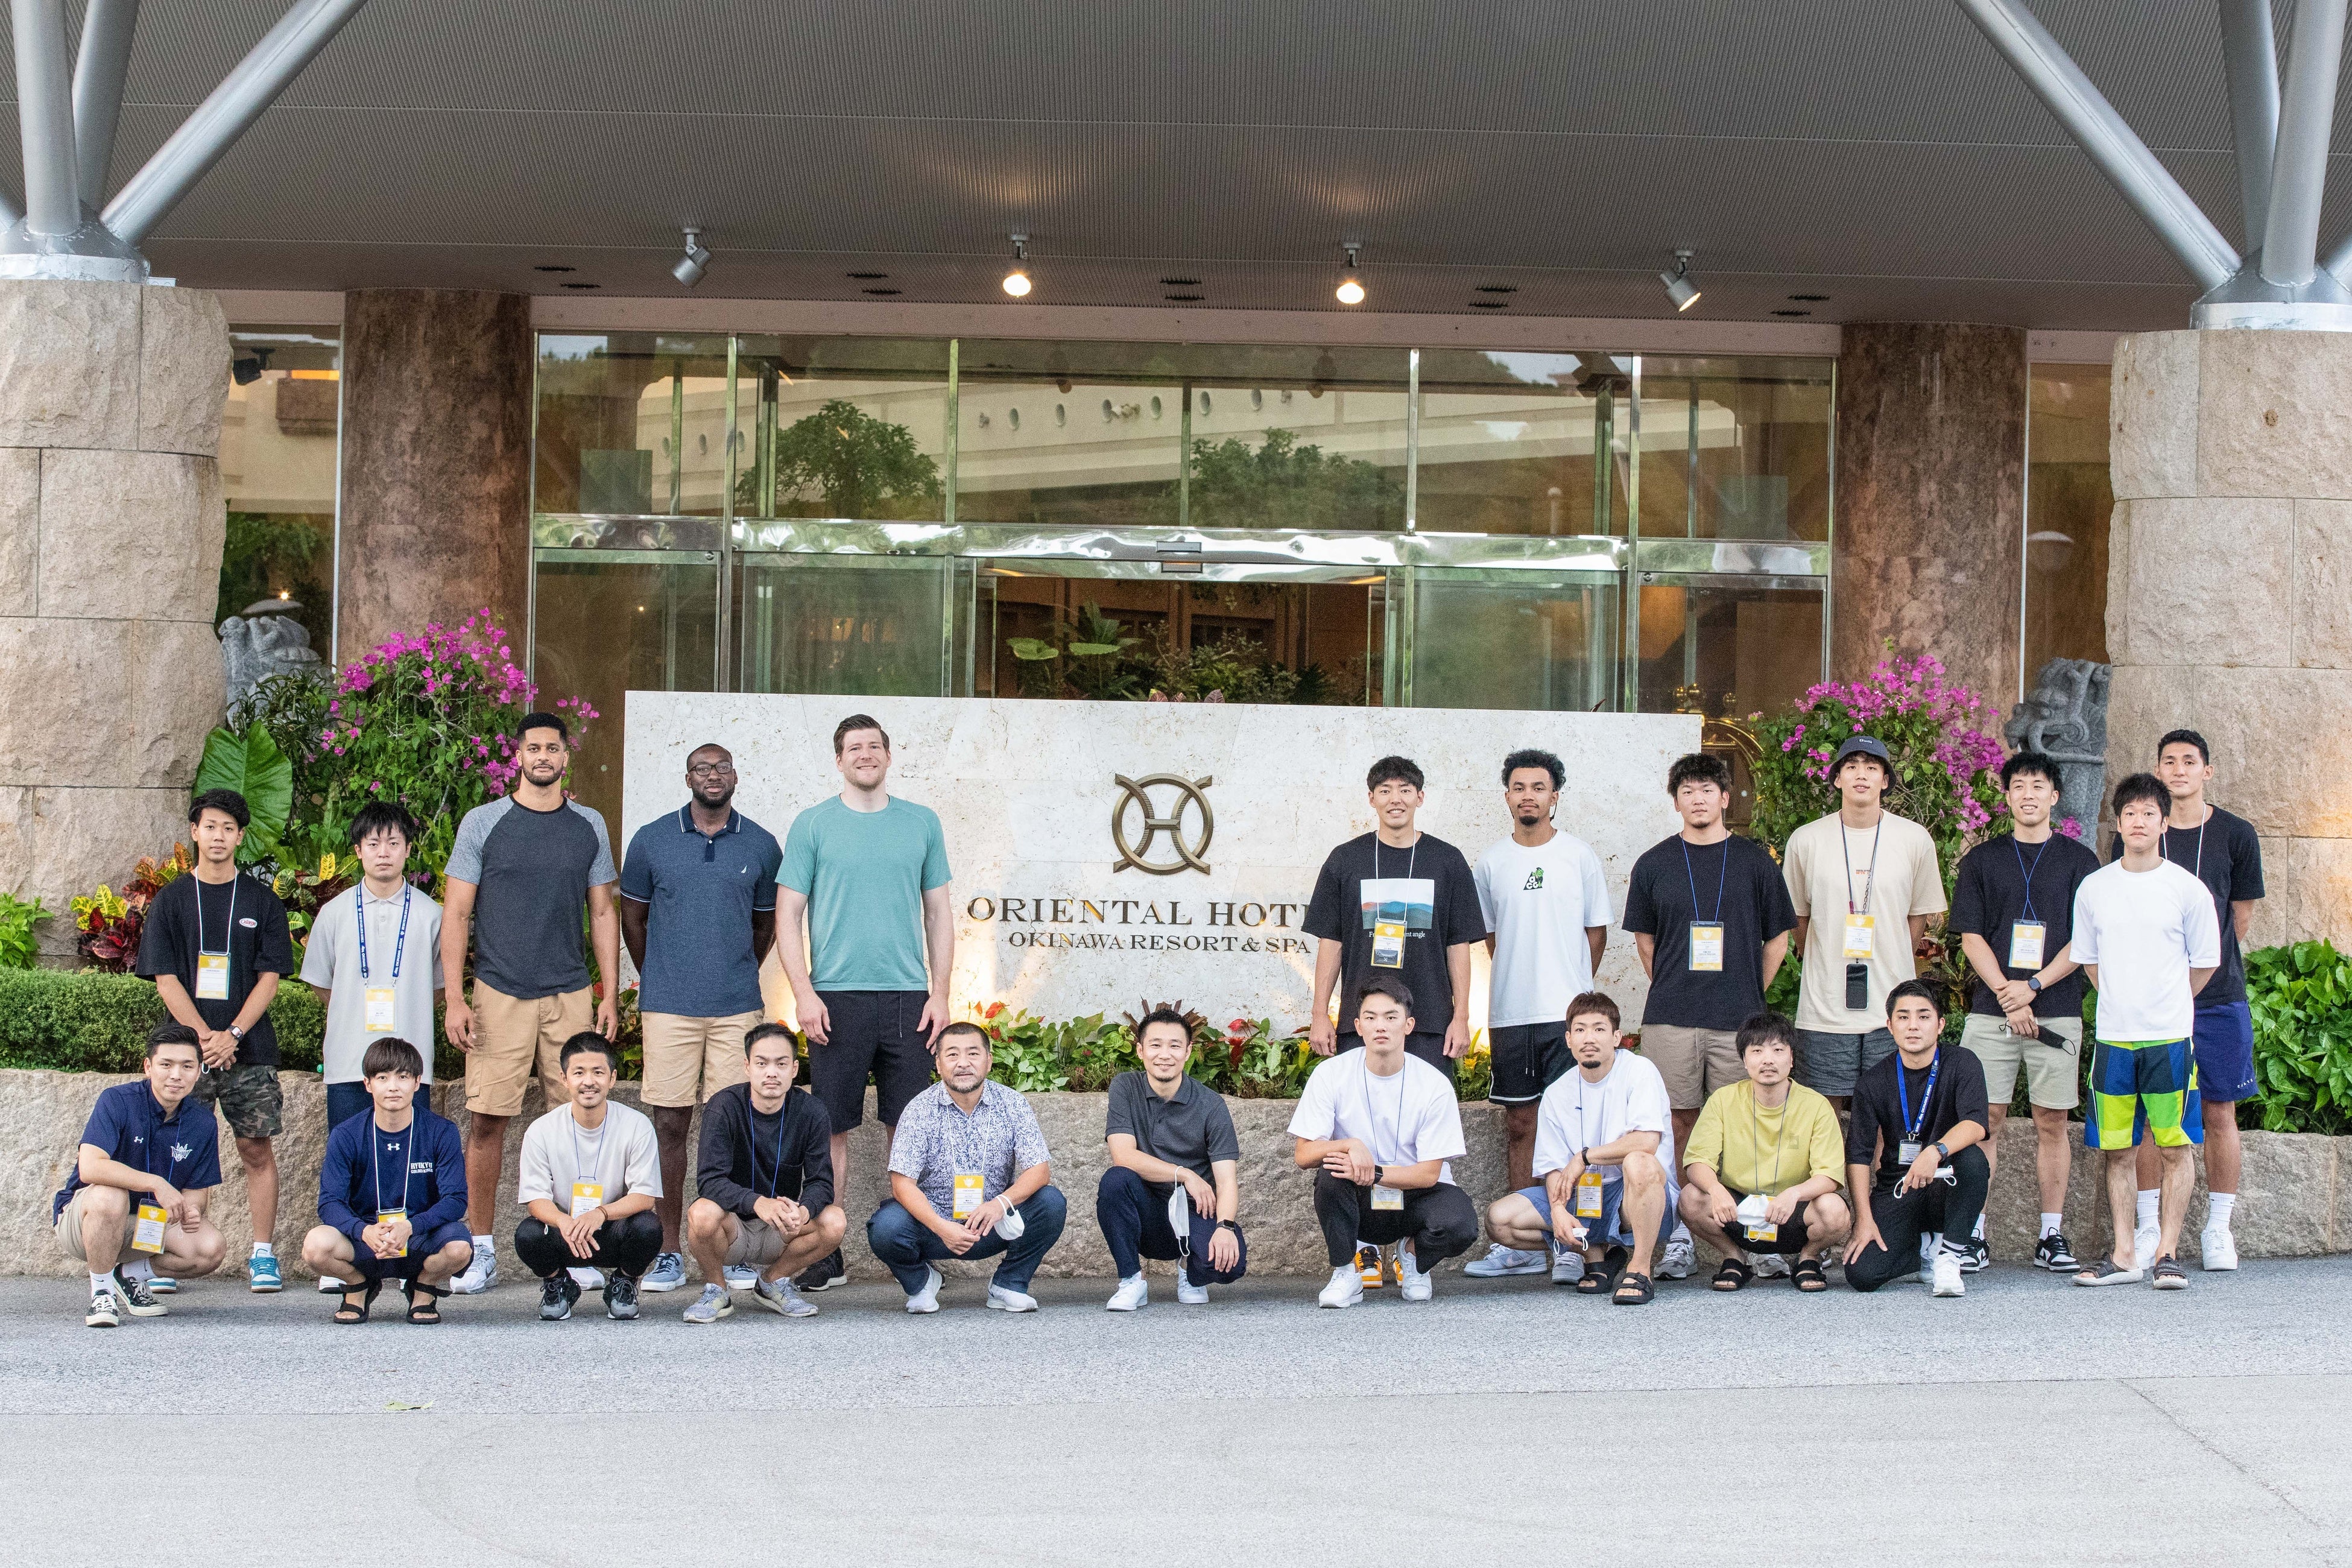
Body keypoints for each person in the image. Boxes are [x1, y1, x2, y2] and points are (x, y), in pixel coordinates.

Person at [440, 710, 621, 1296]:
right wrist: (455, 998)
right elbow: (456, 913)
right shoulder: (483, 822)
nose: (543, 757)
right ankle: (481, 1249)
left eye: (553, 748)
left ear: (567, 756)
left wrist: (610, 992)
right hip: (499, 992)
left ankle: (576, 1247)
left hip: (569, 992)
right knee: (487, 1120)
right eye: (534, 748)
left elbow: (602, 911)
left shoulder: (589, 824)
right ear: (517, 756)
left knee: (579, 1123)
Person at [777, 713, 955, 1296]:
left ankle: (914, 1249)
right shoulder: (813, 825)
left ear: (888, 755)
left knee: (910, 1128)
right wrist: (804, 993)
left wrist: (940, 993)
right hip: (835, 997)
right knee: (830, 1129)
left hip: (909, 998)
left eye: (874, 746)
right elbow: (787, 915)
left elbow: (939, 913)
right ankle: (825, 1252)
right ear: (839, 760)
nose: (865, 754)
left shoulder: (921, 822)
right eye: (854, 748)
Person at [1304, 754, 1484, 1289]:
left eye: (1406, 789)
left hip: (1427, 1026)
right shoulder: (1347, 860)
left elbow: (1459, 944)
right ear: (1371, 799)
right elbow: (1331, 941)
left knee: (1418, 1140)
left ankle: (1411, 1243)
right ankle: (1360, 1246)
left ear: (1420, 798)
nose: (1396, 798)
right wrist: (1321, 1013)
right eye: (1385, 790)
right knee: (1353, 1130)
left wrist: (1462, 1015)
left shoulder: (1446, 860)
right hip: (1360, 1023)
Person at [1620, 750, 1797, 1282]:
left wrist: (1749, 989)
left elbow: (1779, 938)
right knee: (1677, 1125)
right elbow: (1645, 941)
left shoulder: (1754, 861)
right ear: (1676, 801)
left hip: (1738, 1020)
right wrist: (1676, 985)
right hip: (1671, 1017)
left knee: (1744, 1126)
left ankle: (1753, 1235)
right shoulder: (1654, 863)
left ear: (1725, 798)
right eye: (1687, 791)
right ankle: (1680, 1236)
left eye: (1707, 790)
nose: (1697, 799)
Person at [619, 741, 784, 1295]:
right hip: (669, 1005)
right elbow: (634, 920)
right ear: (687, 777)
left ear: (735, 775)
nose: (713, 775)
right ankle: (668, 1250)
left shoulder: (760, 843)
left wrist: (733, 971)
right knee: (670, 1124)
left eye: (722, 767)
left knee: (734, 1127)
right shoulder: (651, 840)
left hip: (736, 1005)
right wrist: (664, 974)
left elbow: (764, 926)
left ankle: (731, 1247)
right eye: (701, 768)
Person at [135, 788, 296, 1292]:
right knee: (172, 1152)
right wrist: (204, 1038)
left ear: (240, 836)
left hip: (249, 1050)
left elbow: (270, 978)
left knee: (255, 1148)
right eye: (210, 827)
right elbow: (165, 978)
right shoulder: (171, 900)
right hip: (185, 1056)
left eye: (229, 828)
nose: (219, 836)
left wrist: (233, 1034)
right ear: (195, 832)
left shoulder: (262, 901)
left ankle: (263, 1255)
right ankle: (162, 1255)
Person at [2117, 730, 2264, 1271]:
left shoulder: (2235, 834)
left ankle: (2218, 1229)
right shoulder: (2141, 832)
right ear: (2157, 770)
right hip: (2151, 1002)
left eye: (2189, 761)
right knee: (2152, 1114)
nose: (2179, 769)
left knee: (2220, 1108)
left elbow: (2239, 919)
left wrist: (2195, 976)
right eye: (2169, 761)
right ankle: (2150, 1226)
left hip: (2217, 998)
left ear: (2207, 771)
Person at [1462, 748, 1611, 1281]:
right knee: (1521, 1123)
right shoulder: (1491, 863)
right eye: (1519, 787)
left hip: (1566, 1016)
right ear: (1507, 796)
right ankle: (1524, 1249)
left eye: (1539, 787)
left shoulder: (1579, 856)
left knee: (1574, 1128)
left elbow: (1596, 934)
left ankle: (1576, 1242)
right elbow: (1492, 938)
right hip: (1511, 1014)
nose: (1529, 796)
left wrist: (1572, 993)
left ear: (1555, 796)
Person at [1949, 750, 2098, 1274]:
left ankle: (2050, 1234)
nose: (2029, 794)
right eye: (2019, 786)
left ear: (2055, 797)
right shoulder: (1981, 860)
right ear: (2007, 796)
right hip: (1991, 1013)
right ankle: (1973, 1233)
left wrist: (2033, 986)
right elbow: (1970, 936)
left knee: (2052, 1120)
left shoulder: (2081, 862)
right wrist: (2007, 994)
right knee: (1982, 1121)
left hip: (2056, 1008)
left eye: (2039, 786)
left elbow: (2084, 940)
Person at [2073, 772, 2221, 1289]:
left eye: (2149, 813)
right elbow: (2089, 961)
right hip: (2114, 1039)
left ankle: (2167, 1252)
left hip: (2170, 1039)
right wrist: (2122, 1001)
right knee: (2118, 1151)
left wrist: (2168, 1003)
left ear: (2164, 823)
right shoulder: (2095, 888)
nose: (2138, 821)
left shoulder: (2187, 889)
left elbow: (2205, 963)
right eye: (2130, 813)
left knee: (2175, 1147)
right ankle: (2123, 1254)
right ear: (2118, 822)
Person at [299, 800, 445, 1294]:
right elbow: (322, 983)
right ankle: (345, 1258)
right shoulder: (335, 912)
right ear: (358, 850)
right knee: (348, 1162)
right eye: (374, 843)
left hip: (411, 1065)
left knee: (411, 1165)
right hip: (348, 1061)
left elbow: (440, 987)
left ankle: (406, 1259)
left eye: (394, 842)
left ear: (408, 850)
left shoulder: (430, 914)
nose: (384, 852)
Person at [1289, 978, 1478, 1308]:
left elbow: (1429, 1175)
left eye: (1391, 1017)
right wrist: (1349, 1145)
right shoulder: (1331, 1074)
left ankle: (1412, 1258)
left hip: (1415, 1195)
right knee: (1331, 1172)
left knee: (1460, 1224)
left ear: (1409, 1025)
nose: (1381, 1026)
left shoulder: (1434, 1085)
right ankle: (1347, 1272)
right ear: (1358, 1026)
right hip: (1360, 1198)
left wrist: (1374, 1172)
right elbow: (1304, 1154)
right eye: (1371, 1017)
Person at [1478, 993, 1674, 1304]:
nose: (1589, 1038)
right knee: (1500, 1219)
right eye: (1580, 1030)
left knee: (1640, 1163)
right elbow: (1554, 1168)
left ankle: (1640, 1269)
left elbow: (1646, 1141)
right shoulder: (1557, 1092)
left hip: (1633, 1197)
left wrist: (1584, 1157)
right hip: (1582, 1199)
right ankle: (1595, 1258)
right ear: (1569, 1040)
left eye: (1599, 1029)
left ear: (1617, 1037)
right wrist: (1557, 1210)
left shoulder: (1640, 1071)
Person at [1783, 735, 1945, 1107]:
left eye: (1872, 768)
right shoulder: (1806, 840)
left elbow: (1918, 914)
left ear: (1885, 781)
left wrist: (1896, 956)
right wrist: (1819, 956)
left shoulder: (1914, 839)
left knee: (1891, 1110)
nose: (1861, 775)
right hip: (1824, 1006)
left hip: (1892, 1006)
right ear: (1837, 778)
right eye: (1852, 766)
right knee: (1823, 1112)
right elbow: (1798, 915)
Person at [867, 1022, 1066, 1314]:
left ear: (989, 1060)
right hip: (935, 1227)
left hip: (995, 1222)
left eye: (973, 1053)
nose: (963, 1063)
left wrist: (1000, 1204)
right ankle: (921, 1283)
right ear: (938, 1064)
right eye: (952, 1055)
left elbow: (1039, 1169)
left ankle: (1009, 1284)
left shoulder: (1013, 1104)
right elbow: (902, 1184)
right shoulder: (919, 1110)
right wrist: (941, 1227)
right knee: (886, 1227)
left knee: (1051, 1202)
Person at [52, 1023, 228, 1327]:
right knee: (110, 1195)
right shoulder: (117, 1100)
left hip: (149, 1224)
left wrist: (192, 1210)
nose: (176, 1075)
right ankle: (102, 1293)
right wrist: (157, 1184)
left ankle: (128, 1276)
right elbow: (90, 1167)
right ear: (148, 1067)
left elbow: (198, 1190)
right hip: (86, 1222)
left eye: (187, 1066)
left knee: (209, 1247)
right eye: (166, 1065)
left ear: (199, 1071)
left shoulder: (203, 1121)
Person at [681, 1023, 848, 1324]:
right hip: (733, 1228)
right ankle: (717, 1290)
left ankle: (772, 1282)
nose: (771, 1073)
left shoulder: (811, 1111)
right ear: (747, 1067)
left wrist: (804, 1212)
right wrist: (759, 1203)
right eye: (762, 1063)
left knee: (834, 1220)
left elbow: (822, 1182)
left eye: (781, 1064)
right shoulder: (723, 1107)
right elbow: (710, 1181)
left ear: (794, 1069)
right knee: (701, 1213)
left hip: (782, 1228)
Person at [302, 1037, 472, 1324]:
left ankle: (424, 1288)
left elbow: (455, 1200)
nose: (393, 1087)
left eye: (402, 1077)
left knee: (459, 1248)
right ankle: (358, 1285)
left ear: (417, 1082)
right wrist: (363, 1230)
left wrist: (411, 1226)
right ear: (368, 1084)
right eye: (383, 1078)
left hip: (419, 1236)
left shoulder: (441, 1132)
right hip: (367, 1239)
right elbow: (330, 1202)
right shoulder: (346, 1135)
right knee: (316, 1246)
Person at [1677, 1012, 1851, 1291]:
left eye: (1778, 1050)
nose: (1768, 1060)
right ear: (1744, 1060)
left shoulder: (1817, 1105)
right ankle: (1734, 1258)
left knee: (1834, 1209)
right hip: (1739, 1210)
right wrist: (1716, 1189)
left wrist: (1794, 1194)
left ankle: (1808, 1258)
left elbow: (1829, 1176)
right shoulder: (1723, 1100)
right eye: (1757, 1051)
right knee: (1691, 1198)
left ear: (1792, 1059)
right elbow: (1697, 1161)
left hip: (1793, 1211)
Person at [1842, 981, 1991, 1297]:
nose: (1913, 1026)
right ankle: (1924, 1247)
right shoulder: (1873, 1081)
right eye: (1903, 1017)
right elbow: (1858, 1155)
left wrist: (1934, 1152)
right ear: (1890, 1026)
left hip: (1945, 1180)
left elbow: (1976, 1124)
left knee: (1973, 1160)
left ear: (1940, 1025)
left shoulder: (1963, 1063)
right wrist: (1863, 1220)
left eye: (1923, 1017)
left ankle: (1949, 1256)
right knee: (1862, 1274)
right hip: (1899, 1185)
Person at [1099, 1008, 1247, 1310]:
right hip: (1148, 1212)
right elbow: (1123, 1156)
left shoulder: (1211, 1105)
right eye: (1155, 1045)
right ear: (1140, 1050)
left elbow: (1226, 1181)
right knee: (1116, 1180)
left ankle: (1189, 1269)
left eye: (1175, 1046)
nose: (1165, 1055)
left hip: (1193, 1212)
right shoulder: (1125, 1087)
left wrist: (1225, 1227)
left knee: (1227, 1266)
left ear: (1188, 1051)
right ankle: (1131, 1281)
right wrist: (1185, 1174)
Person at [513, 1034, 663, 1321]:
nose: (589, 1082)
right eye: (579, 1073)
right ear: (564, 1079)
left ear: (613, 1078)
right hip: (566, 1231)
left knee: (648, 1227)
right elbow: (536, 1199)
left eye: (598, 1072)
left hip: (612, 1228)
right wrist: (563, 1221)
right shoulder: (541, 1130)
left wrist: (601, 1213)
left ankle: (623, 1282)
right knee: (528, 1234)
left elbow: (645, 1196)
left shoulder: (637, 1125)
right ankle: (558, 1283)